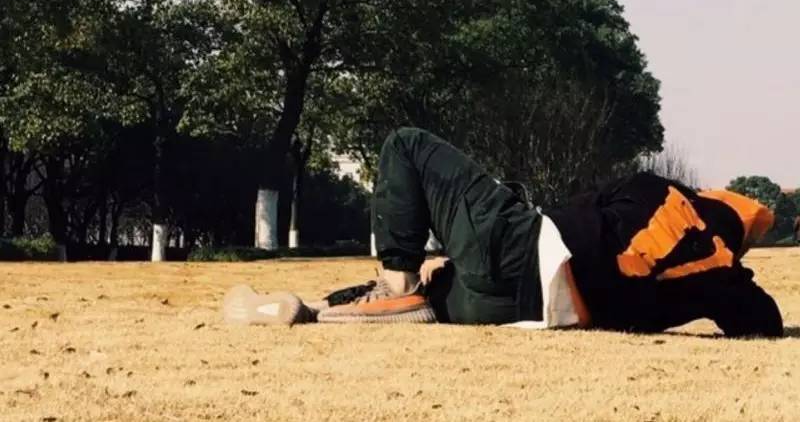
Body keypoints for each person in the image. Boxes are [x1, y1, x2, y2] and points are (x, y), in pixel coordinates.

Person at [223, 128, 783, 337]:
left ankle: (388, 287)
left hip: (526, 252)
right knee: (439, 295)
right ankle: (323, 311)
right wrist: (735, 273)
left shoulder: (656, 190)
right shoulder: (722, 278)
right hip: (536, 313)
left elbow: (577, 216)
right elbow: (765, 323)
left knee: (405, 146)